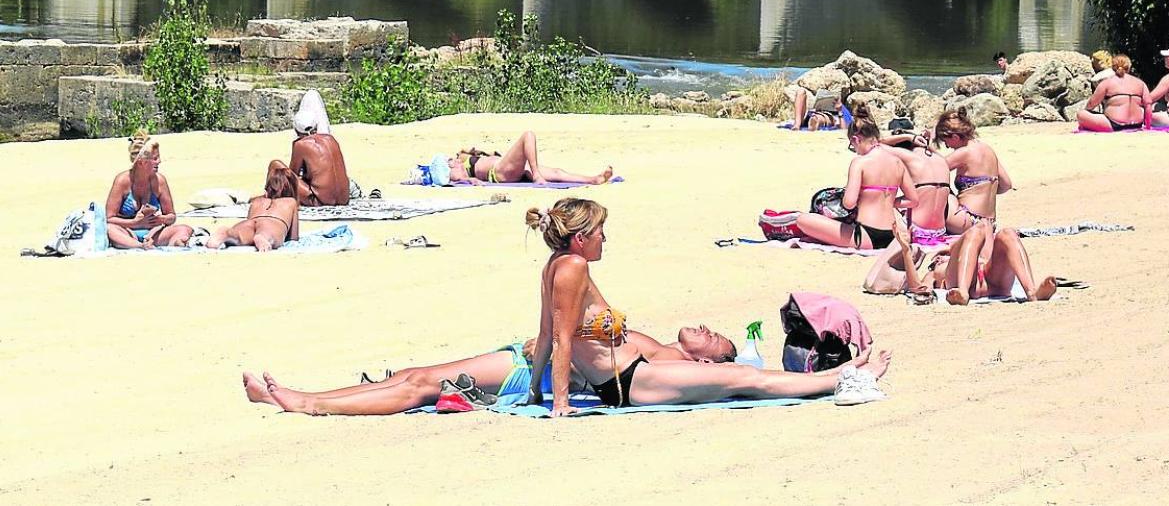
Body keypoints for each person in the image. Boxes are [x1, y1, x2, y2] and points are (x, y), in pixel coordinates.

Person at [526, 198, 892, 416]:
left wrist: (534, 392)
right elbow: (560, 339)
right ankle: (845, 377)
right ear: (581, 238)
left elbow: (547, 333)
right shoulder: (574, 267)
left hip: (626, 377)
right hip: (629, 380)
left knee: (740, 379)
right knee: (743, 379)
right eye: (600, 230)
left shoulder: (556, 265)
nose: (605, 237)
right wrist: (560, 401)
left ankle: (840, 374)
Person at [249, 325, 736, 416]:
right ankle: (298, 395)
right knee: (416, 373)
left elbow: (601, 374)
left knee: (419, 385)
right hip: (530, 357)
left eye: (716, 339)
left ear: (704, 362)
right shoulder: (660, 346)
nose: (707, 329)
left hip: (529, 372)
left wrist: (547, 352)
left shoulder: (667, 364)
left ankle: (308, 403)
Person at [787, 107, 919, 250]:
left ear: (856, 139)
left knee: (803, 219)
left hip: (865, 235)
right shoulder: (898, 163)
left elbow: (849, 203)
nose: (855, 150)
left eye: (852, 145)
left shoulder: (860, 162)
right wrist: (889, 202)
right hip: (893, 235)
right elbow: (913, 200)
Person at [889, 216, 1057, 305]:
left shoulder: (973, 253)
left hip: (993, 281)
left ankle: (1032, 292)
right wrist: (906, 252)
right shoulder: (936, 271)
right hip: (966, 286)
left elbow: (986, 230)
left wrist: (954, 247)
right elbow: (917, 289)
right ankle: (962, 292)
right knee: (975, 232)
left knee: (1007, 233)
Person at [104, 131, 193, 249]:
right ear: (142, 162)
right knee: (110, 229)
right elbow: (109, 218)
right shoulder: (122, 181)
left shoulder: (160, 181)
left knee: (185, 229)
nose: (159, 161)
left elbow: (171, 216)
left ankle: (174, 242)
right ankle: (140, 245)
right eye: (155, 158)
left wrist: (161, 219)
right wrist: (135, 223)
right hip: (128, 232)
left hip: (154, 233)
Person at [933, 107, 1012, 233]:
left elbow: (930, 169)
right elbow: (1006, 185)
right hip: (989, 223)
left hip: (967, 220)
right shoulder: (988, 150)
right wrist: (983, 190)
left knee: (936, 186)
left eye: (945, 141)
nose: (947, 146)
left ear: (955, 137)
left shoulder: (964, 153)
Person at [447, 131, 613, 186]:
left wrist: (481, 152)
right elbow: (458, 178)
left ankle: (593, 179)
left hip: (502, 168)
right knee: (528, 135)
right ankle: (536, 174)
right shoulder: (457, 162)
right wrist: (471, 180)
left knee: (557, 172)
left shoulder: (476, 156)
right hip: (497, 173)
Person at [876, 128, 951, 246]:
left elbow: (875, 144)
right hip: (939, 233)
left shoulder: (909, 157)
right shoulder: (940, 159)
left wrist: (908, 136)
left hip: (915, 230)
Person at [206, 161, 300, 252]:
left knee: (240, 236)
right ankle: (264, 237)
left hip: (250, 222)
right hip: (272, 223)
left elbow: (250, 220)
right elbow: (293, 237)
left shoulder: (256, 201)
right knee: (269, 235)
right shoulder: (291, 202)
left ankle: (228, 234)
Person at [1077, 54, 1151, 133]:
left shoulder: (1107, 83)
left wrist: (1088, 114)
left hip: (1115, 125)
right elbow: (1148, 106)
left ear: (1113, 68)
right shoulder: (1141, 83)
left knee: (1081, 114)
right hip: (1137, 124)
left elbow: (1091, 104)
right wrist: (1148, 126)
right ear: (1129, 67)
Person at [290, 112, 350, 206]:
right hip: (344, 199)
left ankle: (269, 200)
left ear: (296, 130)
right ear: (316, 126)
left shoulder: (300, 145)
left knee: (276, 165)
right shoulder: (331, 139)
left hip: (320, 201)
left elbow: (291, 175)